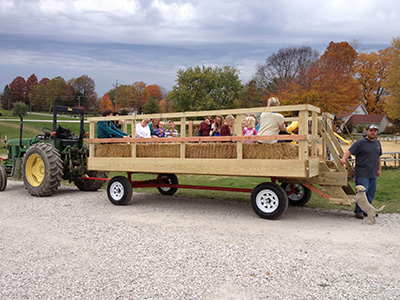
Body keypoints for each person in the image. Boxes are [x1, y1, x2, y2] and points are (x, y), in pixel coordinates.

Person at [340, 124, 382, 219]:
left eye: (375, 130)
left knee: (371, 193)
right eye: (371, 130)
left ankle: (368, 210)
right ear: (366, 132)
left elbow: (379, 157)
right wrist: (343, 159)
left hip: (373, 173)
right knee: (362, 194)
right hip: (362, 173)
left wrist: (379, 169)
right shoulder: (361, 142)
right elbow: (349, 151)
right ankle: (359, 212)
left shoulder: (377, 143)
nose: (373, 132)